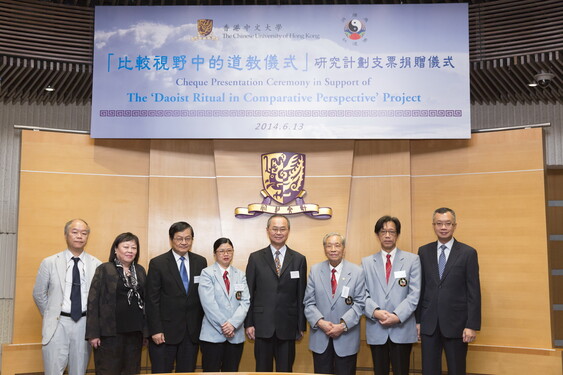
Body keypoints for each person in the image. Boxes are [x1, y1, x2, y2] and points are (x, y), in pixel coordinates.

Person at [416, 207, 481, 375]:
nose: (443, 227)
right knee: (429, 370)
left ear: (454, 226)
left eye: (447, 223)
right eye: (439, 223)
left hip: (457, 325)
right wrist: (417, 321)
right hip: (429, 324)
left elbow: (474, 291)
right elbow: (420, 288)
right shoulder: (423, 251)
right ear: (433, 225)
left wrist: (472, 325)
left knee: (457, 369)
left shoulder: (468, 253)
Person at [32, 219, 102, 375]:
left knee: (79, 371)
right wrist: (52, 314)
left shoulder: (97, 264)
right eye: (75, 232)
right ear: (65, 235)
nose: (79, 236)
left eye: (84, 233)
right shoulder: (49, 262)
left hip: (84, 324)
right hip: (57, 324)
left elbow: (98, 299)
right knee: (53, 370)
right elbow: (39, 294)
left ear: (87, 237)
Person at [245, 214, 307, 372]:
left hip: (288, 325)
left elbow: (301, 295)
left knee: (285, 370)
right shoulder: (255, 258)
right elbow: (249, 293)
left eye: (282, 229)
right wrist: (249, 323)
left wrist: (301, 325)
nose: (278, 232)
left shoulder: (299, 259)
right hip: (261, 325)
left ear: (288, 231)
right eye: (275, 229)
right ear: (267, 230)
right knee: (262, 370)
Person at [145, 221, 208, 373]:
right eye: (179, 238)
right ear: (171, 239)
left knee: (186, 372)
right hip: (164, 333)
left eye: (188, 238)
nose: (184, 242)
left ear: (192, 240)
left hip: (191, 332)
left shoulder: (200, 262)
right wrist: (155, 329)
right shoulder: (158, 263)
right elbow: (152, 300)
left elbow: (202, 296)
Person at [362, 216, 421, 375]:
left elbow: (414, 294)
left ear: (397, 234)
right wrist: (375, 312)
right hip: (377, 328)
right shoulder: (366, 262)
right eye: (383, 232)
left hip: (402, 328)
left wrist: (396, 315)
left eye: (391, 232)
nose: (387, 235)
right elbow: (362, 295)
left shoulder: (412, 260)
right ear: (377, 235)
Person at [304, 233, 366, 375]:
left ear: (343, 248)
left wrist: (343, 326)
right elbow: (308, 302)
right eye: (329, 245)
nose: (333, 249)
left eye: (337, 245)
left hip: (346, 338)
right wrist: (321, 322)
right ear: (324, 249)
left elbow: (360, 303)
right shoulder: (315, 270)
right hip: (321, 338)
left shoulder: (357, 272)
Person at [86, 232, 146, 375]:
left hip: (135, 333)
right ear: (115, 249)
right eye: (126, 247)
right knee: (108, 370)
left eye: (134, 247)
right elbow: (92, 302)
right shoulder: (105, 269)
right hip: (110, 334)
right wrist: (93, 333)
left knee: (131, 371)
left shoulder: (140, 270)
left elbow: (146, 301)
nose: (130, 251)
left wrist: (146, 332)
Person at [199, 238, 250, 372]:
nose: (226, 254)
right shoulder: (207, 273)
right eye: (221, 251)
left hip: (235, 335)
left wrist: (233, 324)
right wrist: (225, 326)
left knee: (231, 371)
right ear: (215, 254)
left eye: (229, 251)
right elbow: (208, 304)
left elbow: (245, 302)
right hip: (212, 335)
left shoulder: (240, 275)